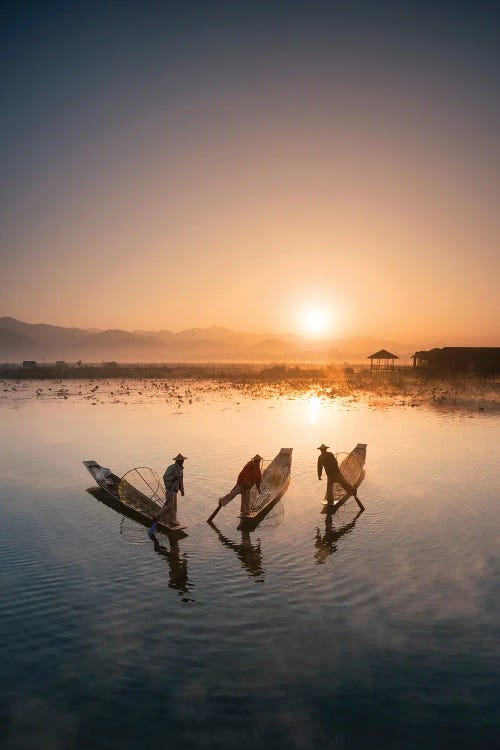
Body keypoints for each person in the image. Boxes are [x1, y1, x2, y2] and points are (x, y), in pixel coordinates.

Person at [149, 453, 187, 533]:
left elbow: (181, 480)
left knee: (174, 507)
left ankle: (172, 522)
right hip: (170, 490)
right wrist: (173, 477)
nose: (183, 462)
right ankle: (156, 516)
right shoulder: (172, 468)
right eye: (181, 460)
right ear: (178, 461)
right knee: (169, 506)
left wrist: (182, 490)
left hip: (175, 490)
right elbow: (165, 477)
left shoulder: (181, 469)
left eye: (183, 460)